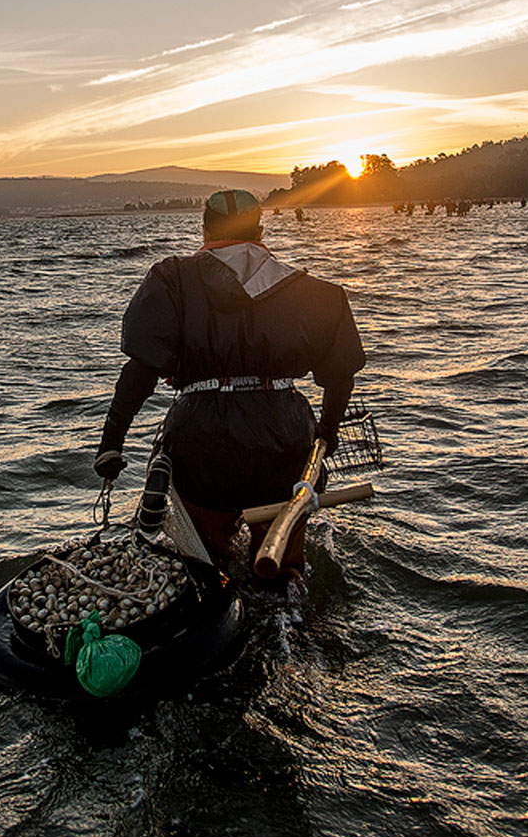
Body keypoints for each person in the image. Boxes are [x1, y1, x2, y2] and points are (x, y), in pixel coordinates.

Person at [93, 190, 365, 578]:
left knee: (207, 561)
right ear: (260, 230)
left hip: (203, 440)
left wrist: (111, 442)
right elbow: (339, 377)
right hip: (284, 436)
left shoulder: (171, 279)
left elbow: (141, 370)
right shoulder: (317, 293)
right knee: (284, 565)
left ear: (205, 229)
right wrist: (327, 433)